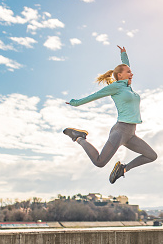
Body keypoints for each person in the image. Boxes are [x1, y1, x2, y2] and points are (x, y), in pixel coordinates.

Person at [63, 45, 157, 184]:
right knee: (99, 162)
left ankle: (122, 169)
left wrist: (124, 54)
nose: (132, 74)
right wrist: (75, 103)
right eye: (129, 72)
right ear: (120, 75)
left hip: (131, 134)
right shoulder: (116, 87)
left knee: (151, 155)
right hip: (120, 131)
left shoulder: (127, 87)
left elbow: (126, 66)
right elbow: (95, 95)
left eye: (131, 72)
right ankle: (79, 138)